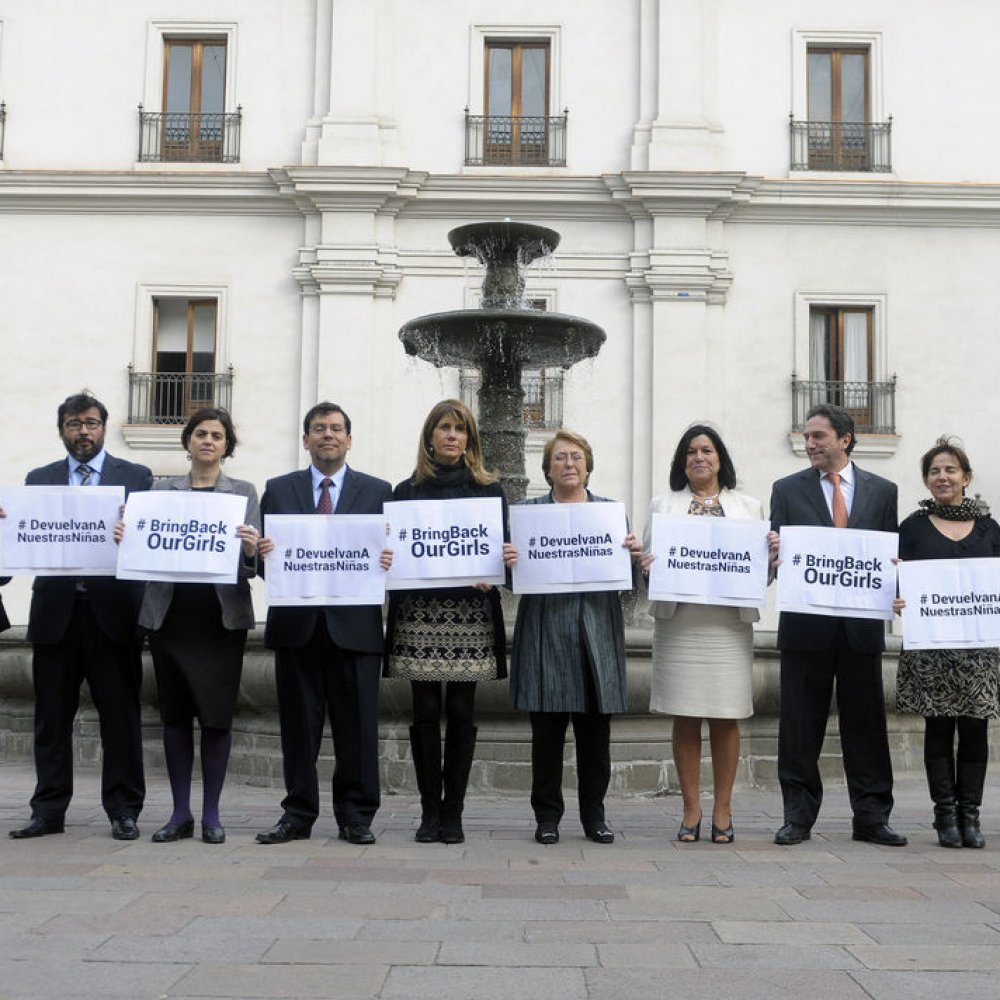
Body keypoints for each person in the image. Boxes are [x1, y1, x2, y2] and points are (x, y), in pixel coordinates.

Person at [6, 391, 152, 840]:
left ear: (103, 427)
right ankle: (48, 809)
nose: (83, 431)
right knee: (51, 718)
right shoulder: (39, 479)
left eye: (90, 423)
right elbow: (25, 540)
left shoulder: (136, 477)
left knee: (121, 719)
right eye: (73, 424)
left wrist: (134, 532)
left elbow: (149, 543)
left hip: (113, 616)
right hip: (56, 615)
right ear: (62, 430)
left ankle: (123, 809)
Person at [256, 403, 392, 846]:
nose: (327, 435)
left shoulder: (378, 491)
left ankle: (356, 816)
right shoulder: (278, 490)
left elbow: (393, 554)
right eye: (319, 429)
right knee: (298, 729)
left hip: (355, 628)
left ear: (349, 440)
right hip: (297, 627)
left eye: (336, 429)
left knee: (357, 729)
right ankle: (297, 815)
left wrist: (390, 559)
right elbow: (264, 565)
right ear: (305, 439)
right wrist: (262, 553)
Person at [769, 402, 904, 846]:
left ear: (844, 440)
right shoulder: (786, 491)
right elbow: (777, 558)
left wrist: (898, 583)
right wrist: (772, 552)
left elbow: (888, 558)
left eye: (818, 437)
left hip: (861, 630)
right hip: (806, 628)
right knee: (799, 726)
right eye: (807, 437)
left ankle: (871, 817)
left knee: (867, 726)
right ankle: (798, 818)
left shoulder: (884, 491)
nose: (809, 444)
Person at [130, 408, 260, 845]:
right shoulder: (158, 490)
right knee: (174, 717)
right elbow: (141, 548)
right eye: (201, 434)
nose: (208, 441)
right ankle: (180, 812)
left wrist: (248, 550)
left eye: (217, 435)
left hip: (220, 620)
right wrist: (126, 539)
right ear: (187, 442)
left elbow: (253, 567)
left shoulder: (243, 493)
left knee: (217, 718)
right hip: (170, 616)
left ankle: (212, 815)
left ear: (227, 446)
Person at [504, 430, 641, 845]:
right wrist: (508, 563)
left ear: (588, 465)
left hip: (595, 633)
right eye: (560, 457)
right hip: (545, 631)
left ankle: (594, 816)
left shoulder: (610, 514)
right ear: (547, 469)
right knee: (546, 735)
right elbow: (513, 582)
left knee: (595, 737)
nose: (568, 464)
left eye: (576, 457)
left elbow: (627, 584)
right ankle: (547, 817)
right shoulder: (527, 514)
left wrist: (634, 557)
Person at [386, 399, 507, 845]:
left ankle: (453, 812)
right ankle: (428, 810)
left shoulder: (489, 491)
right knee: (424, 712)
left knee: (460, 711)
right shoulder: (405, 492)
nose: (452, 435)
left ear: (469, 439)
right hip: (420, 615)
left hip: (469, 615)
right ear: (430, 437)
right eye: (444, 428)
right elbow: (393, 552)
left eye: (460, 429)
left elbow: (505, 553)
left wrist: (497, 570)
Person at [642, 424, 763, 844]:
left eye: (707, 450)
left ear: (719, 458)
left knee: (726, 714)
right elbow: (648, 566)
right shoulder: (664, 505)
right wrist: (646, 566)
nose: (699, 457)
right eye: (691, 451)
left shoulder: (749, 507)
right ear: (682, 461)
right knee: (685, 713)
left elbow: (759, 572)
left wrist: (774, 562)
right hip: (680, 623)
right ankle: (691, 809)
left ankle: (723, 808)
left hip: (727, 625)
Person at [894, 438, 1000, 849]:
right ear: (926, 480)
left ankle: (970, 816)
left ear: (966, 477)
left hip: (979, 650)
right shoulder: (912, 528)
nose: (942, 477)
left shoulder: (991, 529)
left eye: (950, 470)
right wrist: (899, 597)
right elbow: (896, 580)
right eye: (935, 471)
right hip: (932, 647)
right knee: (937, 727)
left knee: (976, 729)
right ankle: (945, 817)